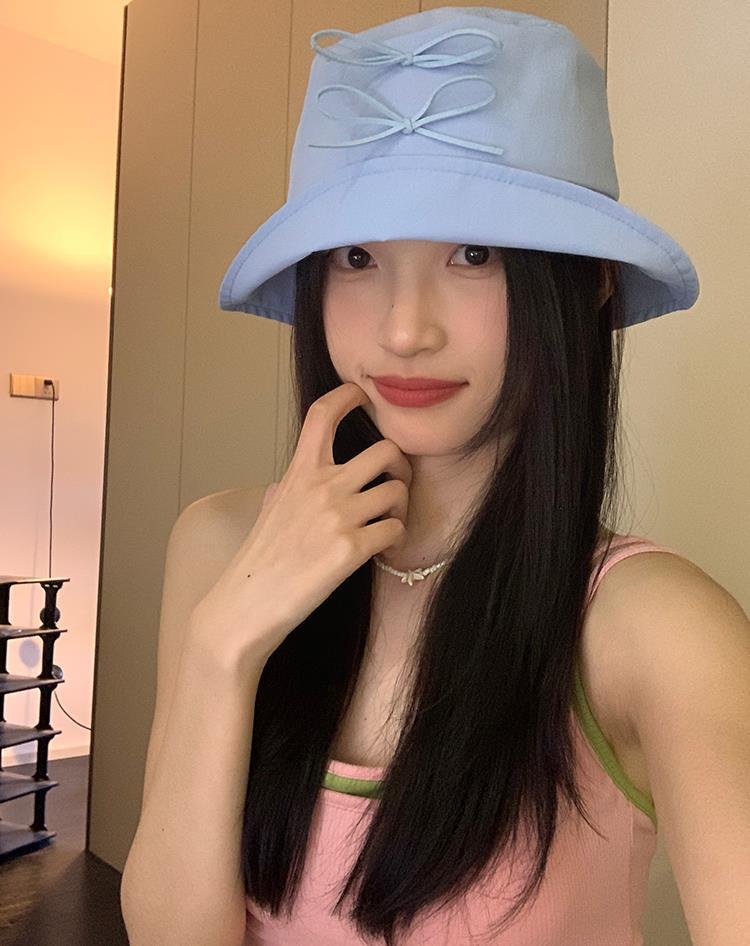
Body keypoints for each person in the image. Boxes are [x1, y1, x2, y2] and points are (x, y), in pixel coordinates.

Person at [124, 8, 749, 946]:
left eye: (474, 254)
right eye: (357, 257)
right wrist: (223, 649)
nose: (404, 329)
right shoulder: (220, 545)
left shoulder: (655, 628)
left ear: (588, 284)